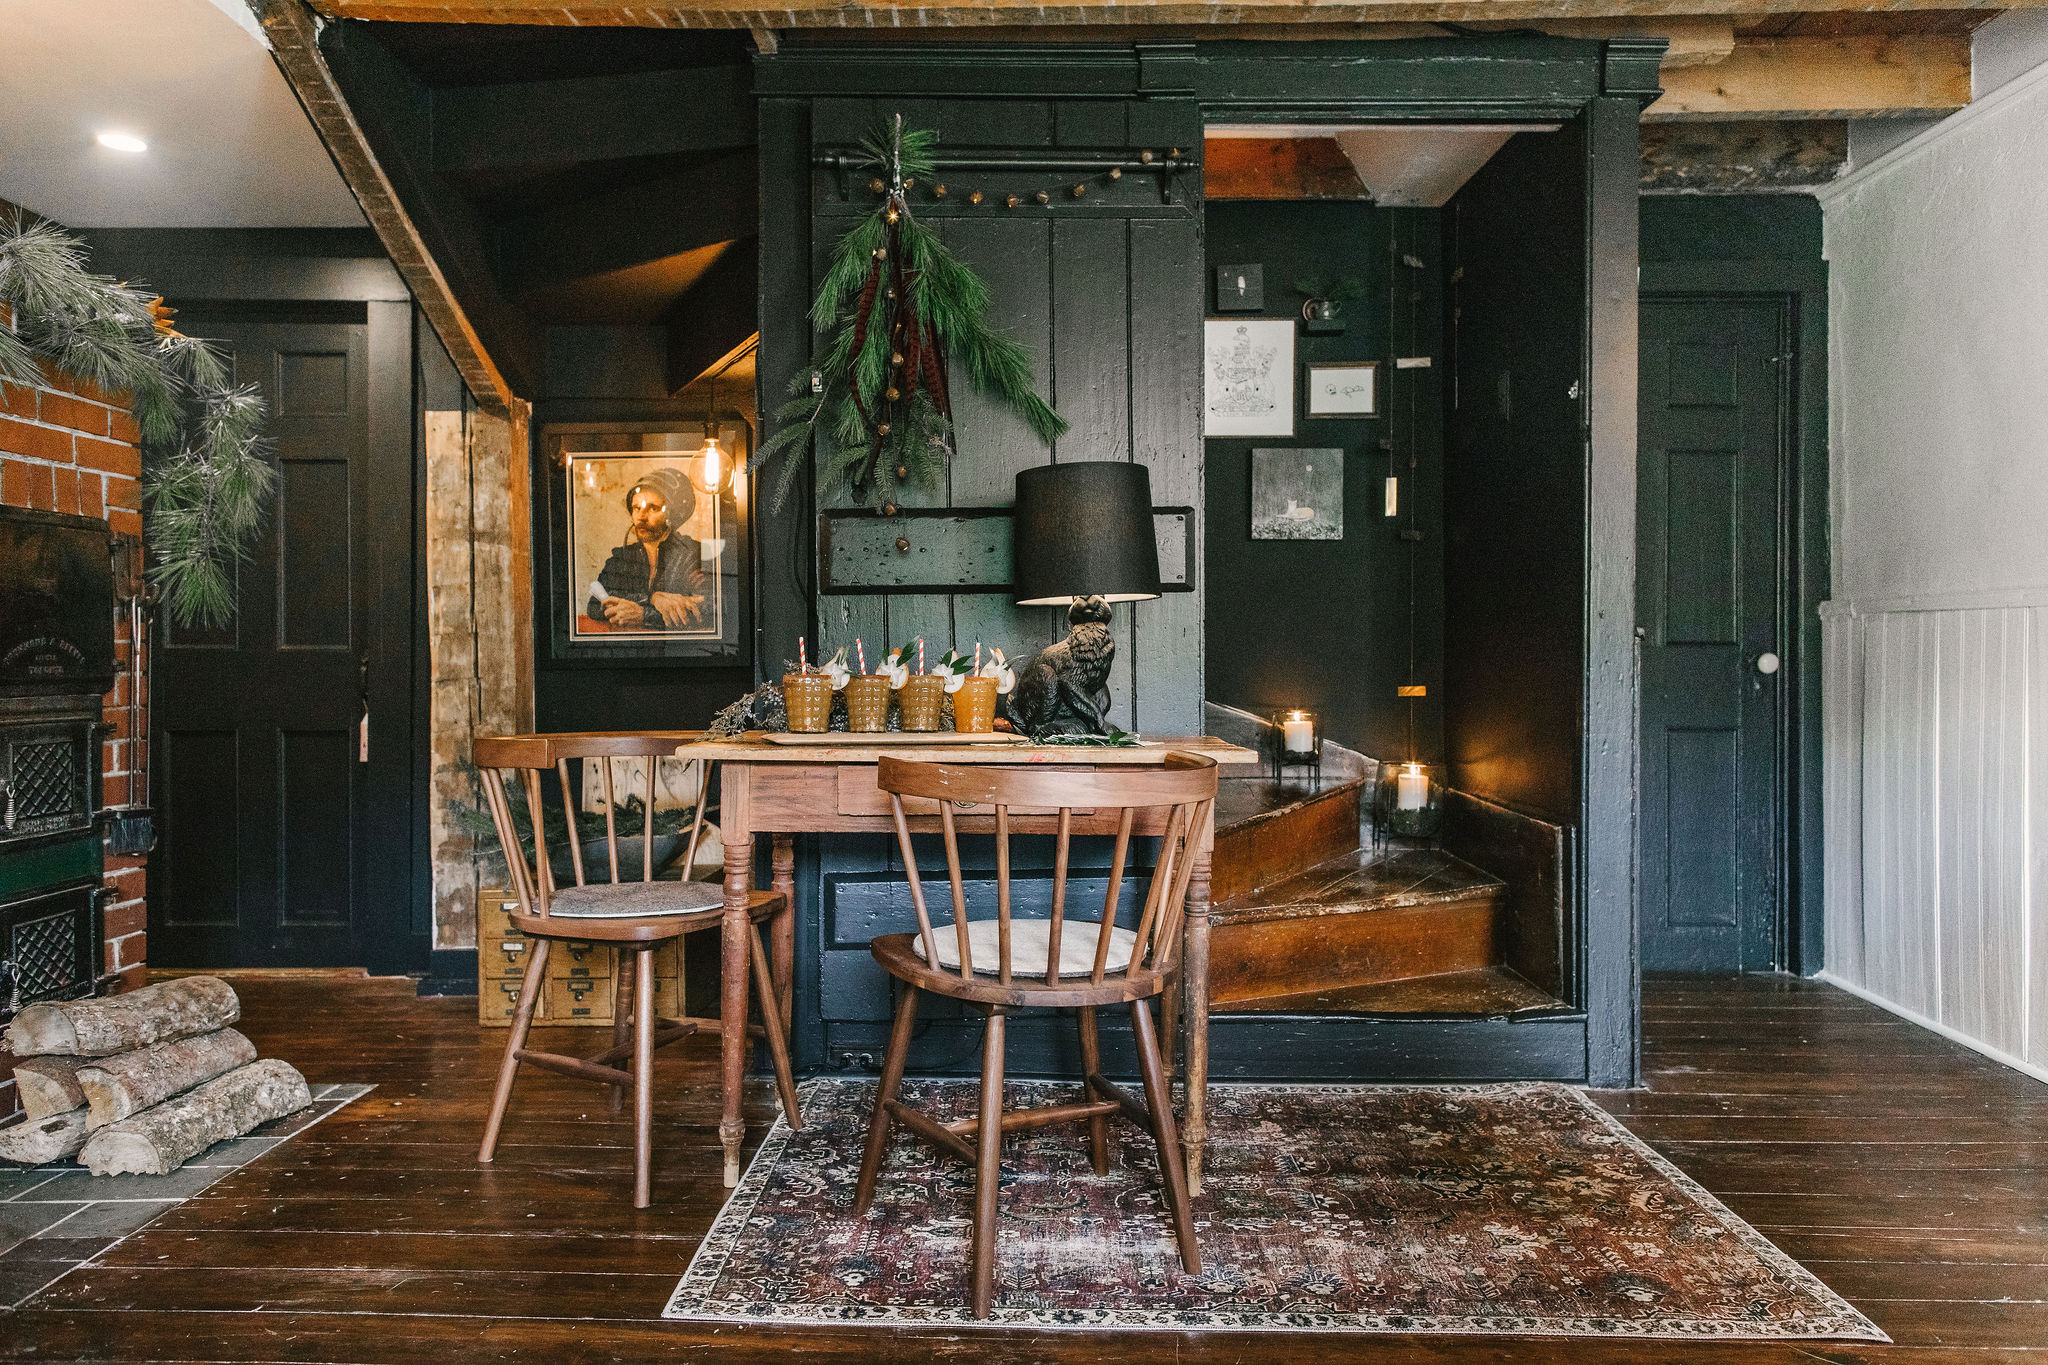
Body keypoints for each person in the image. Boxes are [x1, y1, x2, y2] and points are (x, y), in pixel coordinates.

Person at [586, 467, 707, 630]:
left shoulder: (691, 553)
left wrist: (644, 614)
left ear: (671, 514)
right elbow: (595, 603)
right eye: (637, 508)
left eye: (653, 508)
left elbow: (708, 608)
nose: (641, 517)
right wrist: (652, 599)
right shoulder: (621, 557)